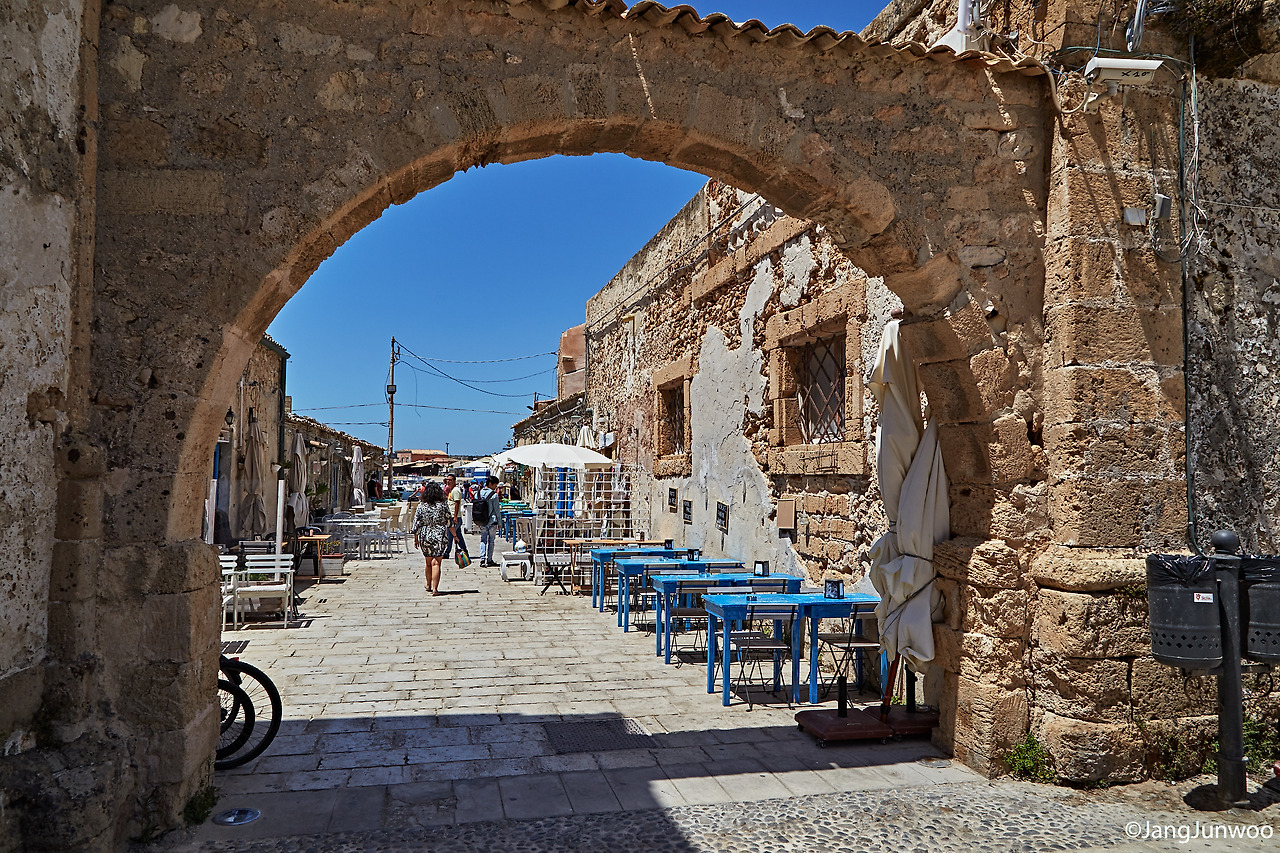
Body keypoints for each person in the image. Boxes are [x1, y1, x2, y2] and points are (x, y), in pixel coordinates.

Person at [411, 481, 451, 594]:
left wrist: (416, 539)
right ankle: (435, 588)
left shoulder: (421, 505)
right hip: (439, 534)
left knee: (428, 563)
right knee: (436, 563)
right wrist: (455, 535)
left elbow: (416, 524)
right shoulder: (442, 504)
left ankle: (428, 585)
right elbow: (449, 521)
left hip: (425, 533)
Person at [475, 475, 502, 567]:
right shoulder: (494, 495)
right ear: (490, 483)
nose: (495, 487)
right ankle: (489, 560)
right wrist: (499, 522)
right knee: (491, 541)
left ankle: (482, 559)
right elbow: (497, 510)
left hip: (482, 521)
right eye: (495, 485)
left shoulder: (478, 494)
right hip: (492, 521)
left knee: (483, 540)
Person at [442, 474, 468, 560]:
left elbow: (457, 503)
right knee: (458, 535)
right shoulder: (451, 490)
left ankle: (447, 552)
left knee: (450, 534)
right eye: (447, 480)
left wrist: (455, 516)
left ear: (454, 481)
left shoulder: (456, 490)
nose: (448, 481)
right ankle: (464, 550)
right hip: (451, 516)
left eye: (450, 480)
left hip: (454, 516)